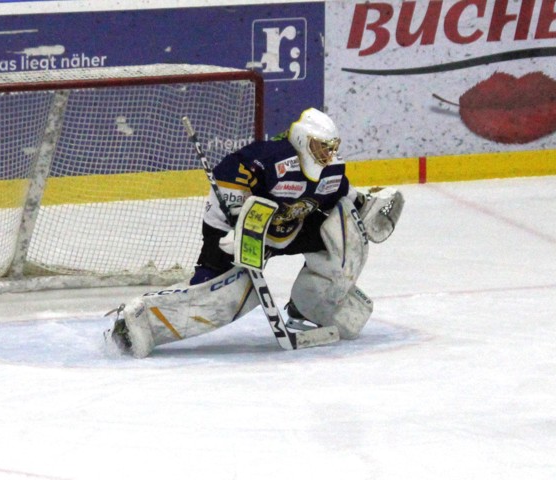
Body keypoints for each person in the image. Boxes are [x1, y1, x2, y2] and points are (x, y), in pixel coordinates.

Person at [106, 107, 404, 358]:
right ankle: (139, 319)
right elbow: (228, 171)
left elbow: (345, 194)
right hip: (245, 233)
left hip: (292, 230)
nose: (327, 154)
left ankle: (310, 306)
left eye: (331, 147)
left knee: (345, 227)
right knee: (229, 295)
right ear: (302, 139)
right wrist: (231, 219)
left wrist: (366, 204)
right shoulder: (273, 158)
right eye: (320, 146)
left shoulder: (331, 172)